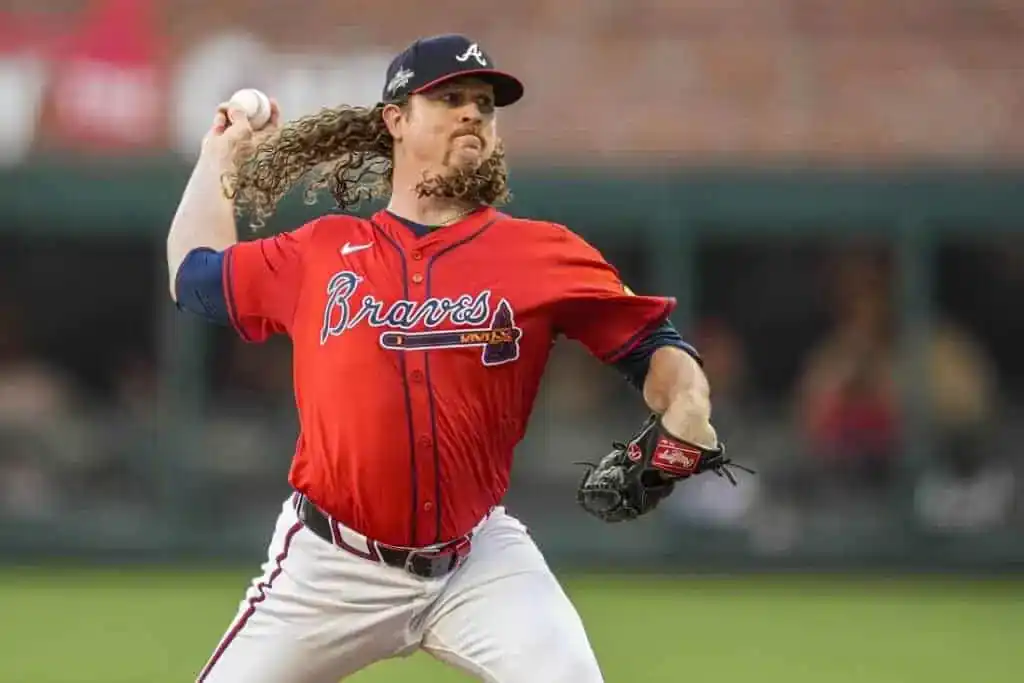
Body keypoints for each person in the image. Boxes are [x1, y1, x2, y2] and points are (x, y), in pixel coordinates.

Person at [167, 33, 719, 683]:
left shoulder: (543, 255)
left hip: (476, 560)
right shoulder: (322, 252)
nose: (472, 114)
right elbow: (193, 275)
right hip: (330, 565)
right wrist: (218, 157)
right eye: (450, 98)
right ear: (396, 121)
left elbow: (656, 350)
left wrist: (688, 403)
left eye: (484, 105)